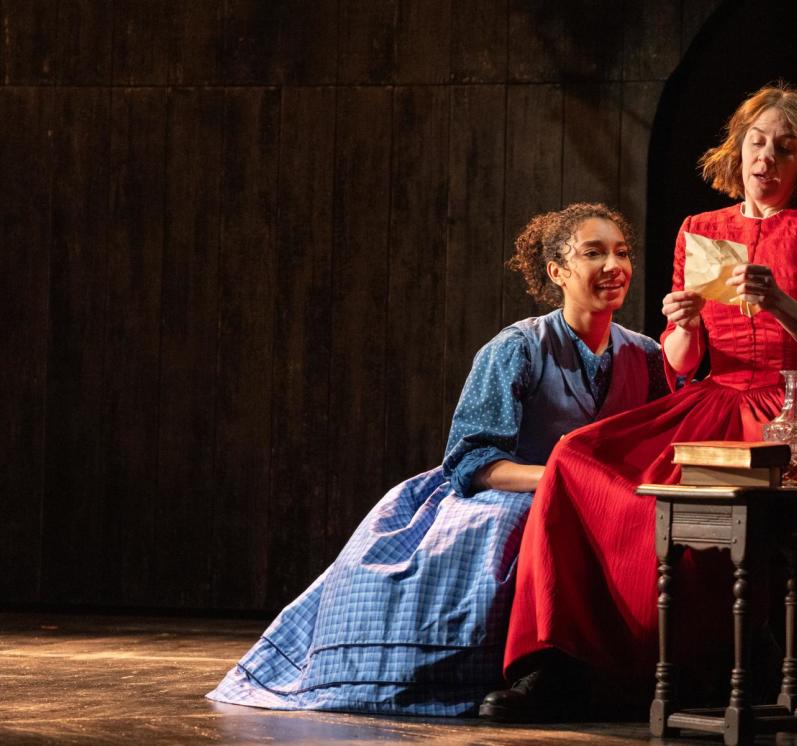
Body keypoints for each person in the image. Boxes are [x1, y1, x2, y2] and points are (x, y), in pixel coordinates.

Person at [481, 83, 797, 722]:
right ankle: (555, 660)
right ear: (737, 148)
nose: (766, 157)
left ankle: (711, 665)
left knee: (722, 495)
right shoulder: (701, 229)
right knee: (578, 456)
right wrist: (684, 323)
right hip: (716, 397)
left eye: (785, 147)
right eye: (756, 141)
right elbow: (680, 364)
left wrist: (777, 300)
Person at [206, 203, 668, 716]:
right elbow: (472, 459)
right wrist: (562, 479)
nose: (613, 265)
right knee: (538, 521)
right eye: (593, 253)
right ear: (558, 271)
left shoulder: (645, 355)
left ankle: (620, 671)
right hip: (510, 489)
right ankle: (532, 670)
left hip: (599, 495)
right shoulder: (517, 347)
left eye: (621, 253)